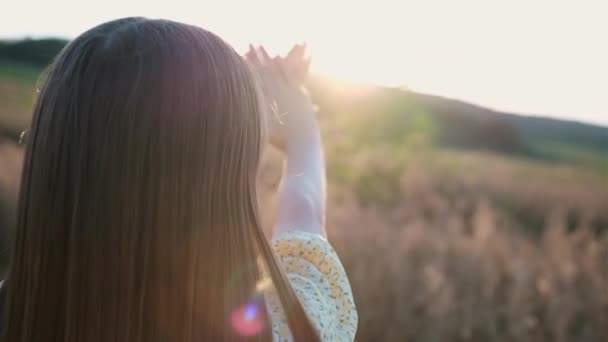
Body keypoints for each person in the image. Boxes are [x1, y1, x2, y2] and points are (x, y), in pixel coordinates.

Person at [0, 17, 357, 341]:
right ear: (221, 188)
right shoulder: (290, 328)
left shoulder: (16, 315)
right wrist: (301, 125)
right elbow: (305, 209)